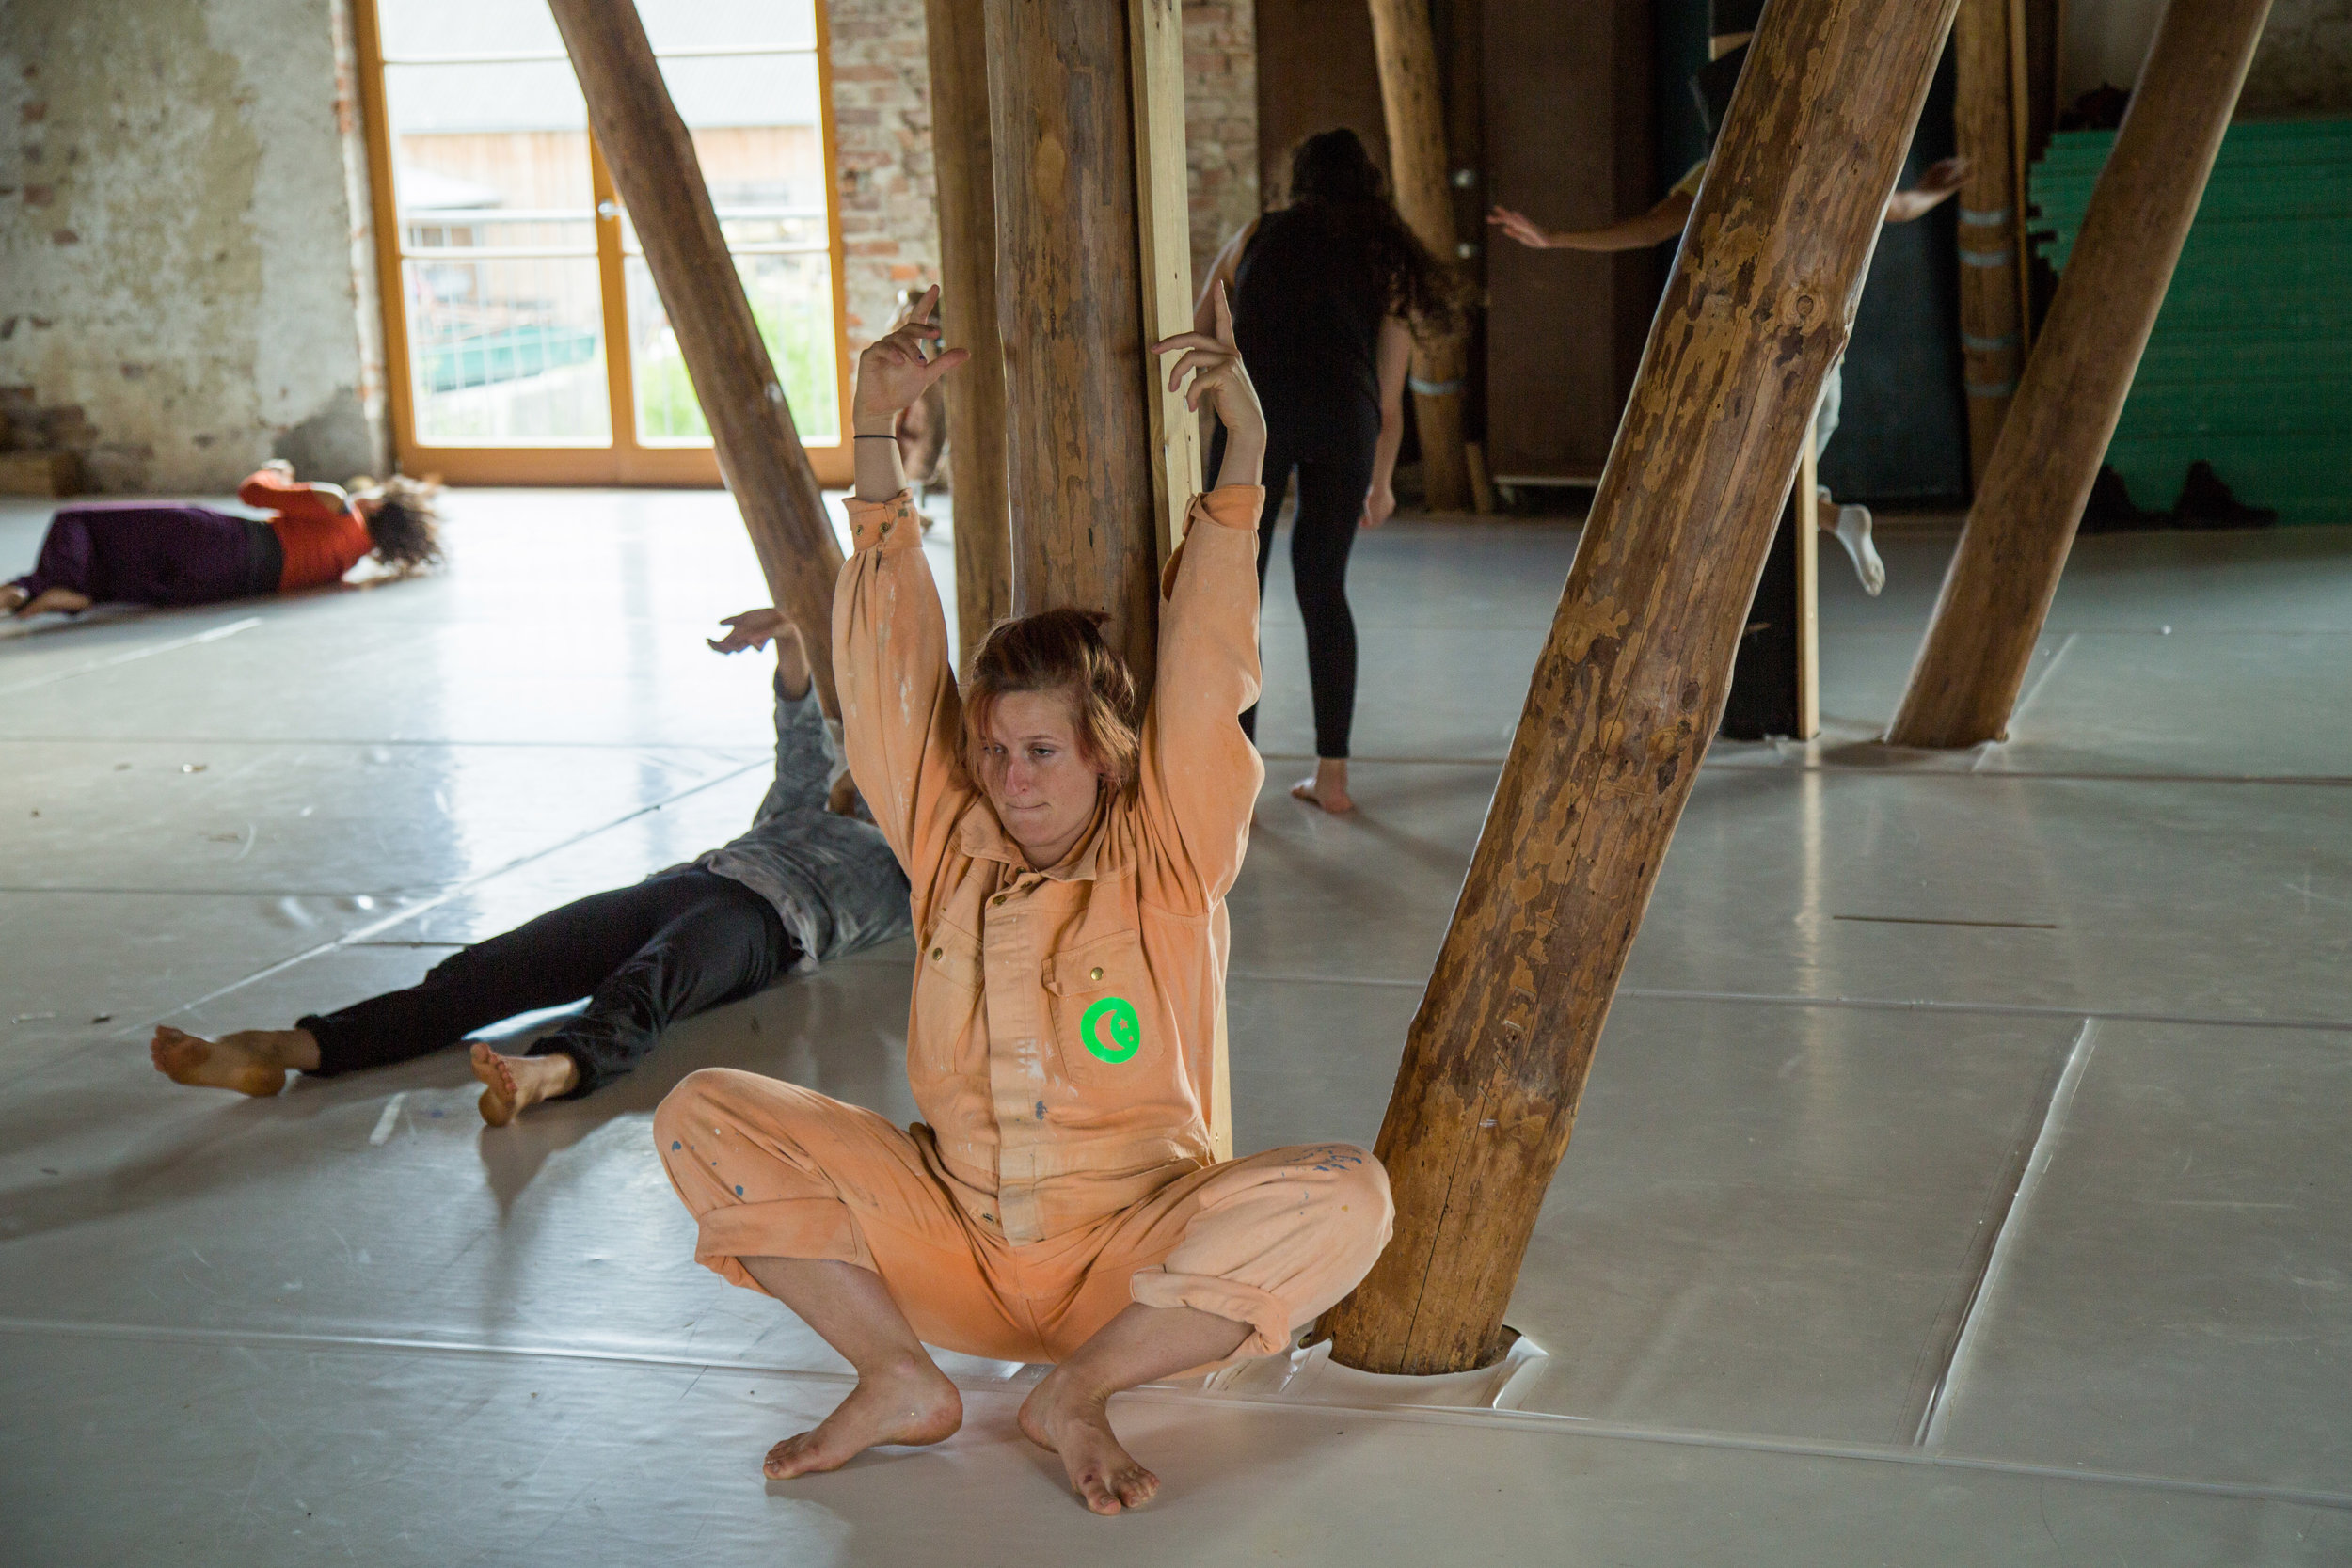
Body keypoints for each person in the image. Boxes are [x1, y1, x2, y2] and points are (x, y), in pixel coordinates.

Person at [649, 284, 1391, 1516]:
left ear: (1103, 749)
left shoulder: (1170, 853)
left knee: (1351, 1195)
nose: (1011, 778)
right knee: (699, 1109)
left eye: (1041, 751)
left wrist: (1246, 452)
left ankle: (1078, 1391)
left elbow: (1210, 666)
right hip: (958, 1248)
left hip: (1129, 1264)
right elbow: (888, 679)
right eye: (995, 751)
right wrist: (878, 444)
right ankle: (899, 1375)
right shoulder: (955, 849)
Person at [150, 615, 910, 1126]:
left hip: (764, 925)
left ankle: (550, 1071)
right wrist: (788, 634)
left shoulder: (910, 859)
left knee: (645, 990)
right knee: (491, 968)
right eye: (857, 759)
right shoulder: (801, 802)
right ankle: (283, 1048)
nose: (856, 769)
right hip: (678, 887)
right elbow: (799, 728)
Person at [1490, 153, 1969, 597]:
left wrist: (1556, 238)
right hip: (1822, 368)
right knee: (1769, 491)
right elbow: (1903, 207)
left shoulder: (1729, 166)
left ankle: (1833, 519)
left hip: (1771, 369)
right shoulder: (1822, 162)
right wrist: (1934, 189)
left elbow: (1652, 228)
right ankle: (1835, 518)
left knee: (1747, 491)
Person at [1191, 128, 1466, 813]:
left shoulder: (1258, 231)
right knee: (1323, 588)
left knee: (1237, 596)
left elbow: (1202, 323)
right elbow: (1389, 394)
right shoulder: (1383, 256)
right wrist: (1380, 480)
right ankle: (1334, 780)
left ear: (1298, 180)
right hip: (1347, 422)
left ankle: (1236, 782)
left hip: (1256, 417)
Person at [4, 461, 443, 615]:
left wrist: (276, 472)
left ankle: (31, 587)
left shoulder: (340, 504)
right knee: (121, 570)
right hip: (223, 586)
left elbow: (252, 492)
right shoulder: (347, 561)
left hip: (221, 540)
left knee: (78, 521)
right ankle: (75, 595)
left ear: (378, 506)